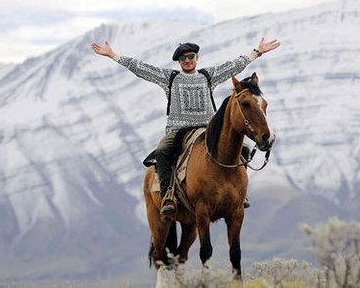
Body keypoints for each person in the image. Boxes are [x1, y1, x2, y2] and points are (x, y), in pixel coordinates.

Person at [91, 37, 280, 217]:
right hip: (178, 129)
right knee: (163, 151)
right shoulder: (170, 78)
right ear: (179, 61)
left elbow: (234, 65)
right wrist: (113, 55)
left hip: (207, 129)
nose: (187, 60)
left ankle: (238, 193)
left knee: (244, 150)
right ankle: (168, 197)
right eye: (183, 58)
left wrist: (258, 52)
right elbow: (140, 68)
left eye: (191, 56)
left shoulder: (208, 76)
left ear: (197, 58)